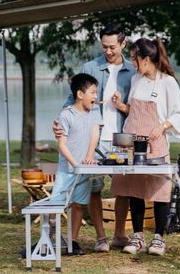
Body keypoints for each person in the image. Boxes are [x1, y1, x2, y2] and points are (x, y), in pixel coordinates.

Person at [52, 23, 135, 251]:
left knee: (123, 188)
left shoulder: (133, 72)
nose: (108, 52)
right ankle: (100, 237)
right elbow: (73, 99)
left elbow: (135, 108)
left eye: (113, 47)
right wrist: (59, 122)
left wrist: (121, 105)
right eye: (104, 47)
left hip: (121, 138)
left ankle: (119, 233)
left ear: (123, 44)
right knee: (94, 187)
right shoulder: (90, 66)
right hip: (93, 139)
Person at [110, 37, 180, 257]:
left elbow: (178, 114)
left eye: (134, 59)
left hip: (155, 143)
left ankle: (159, 238)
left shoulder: (167, 82)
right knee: (134, 189)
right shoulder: (136, 79)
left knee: (160, 190)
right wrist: (119, 105)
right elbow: (133, 111)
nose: (132, 63)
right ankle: (138, 236)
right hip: (132, 143)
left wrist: (162, 126)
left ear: (145, 59)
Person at [48, 73, 102, 256]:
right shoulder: (66, 115)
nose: (96, 96)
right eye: (93, 92)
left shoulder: (94, 112)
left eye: (96, 92)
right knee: (56, 205)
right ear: (80, 94)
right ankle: (49, 238)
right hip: (67, 170)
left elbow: (95, 136)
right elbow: (62, 144)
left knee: (78, 205)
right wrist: (75, 164)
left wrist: (88, 158)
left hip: (83, 170)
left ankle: (72, 240)